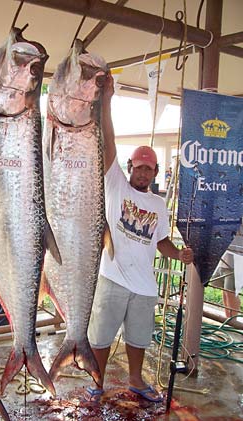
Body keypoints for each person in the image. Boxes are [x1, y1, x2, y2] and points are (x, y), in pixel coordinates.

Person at [85, 73, 194, 403]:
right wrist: (106, 101)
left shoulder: (158, 204)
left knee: (139, 339)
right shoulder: (115, 184)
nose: (143, 173)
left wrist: (177, 255)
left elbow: (160, 241)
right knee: (100, 337)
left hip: (145, 285)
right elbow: (108, 141)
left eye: (149, 169)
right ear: (130, 167)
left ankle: (135, 380)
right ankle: (97, 381)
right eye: (139, 167)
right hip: (113, 277)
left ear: (155, 173)